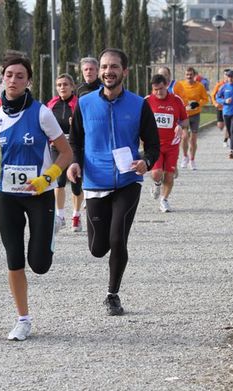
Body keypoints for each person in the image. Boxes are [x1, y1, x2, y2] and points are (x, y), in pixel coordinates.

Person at [0, 55, 73, 341]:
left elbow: (66, 153)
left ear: (28, 81)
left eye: (20, 76)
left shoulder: (42, 113)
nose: (13, 80)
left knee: (39, 264)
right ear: (2, 79)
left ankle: (50, 232)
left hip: (39, 195)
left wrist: (47, 178)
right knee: (14, 258)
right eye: (9, 75)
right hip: (8, 197)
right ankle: (23, 319)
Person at [67, 48, 159, 316]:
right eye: (105, 66)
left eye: (114, 67)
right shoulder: (84, 104)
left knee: (118, 239)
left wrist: (146, 162)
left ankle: (112, 295)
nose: (108, 71)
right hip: (95, 182)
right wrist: (75, 162)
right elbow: (75, 140)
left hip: (128, 181)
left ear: (124, 72)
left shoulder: (139, 105)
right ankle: (96, 229)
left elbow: (153, 145)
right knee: (97, 249)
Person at [47, 73, 84, 232]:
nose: (62, 87)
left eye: (65, 85)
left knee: (76, 184)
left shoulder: (79, 104)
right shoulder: (51, 104)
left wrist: (75, 124)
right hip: (57, 147)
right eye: (59, 85)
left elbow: (86, 127)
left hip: (75, 147)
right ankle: (60, 216)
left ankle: (76, 216)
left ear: (72, 87)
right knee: (59, 182)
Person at [145, 74, 188, 212]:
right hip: (154, 144)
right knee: (157, 173)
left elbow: (185, 120)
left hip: (172, 144)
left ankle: (164, 200)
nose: (158, 92)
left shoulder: (176, 100)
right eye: (155, 89)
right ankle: (157, 184)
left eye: (161, 89)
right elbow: (139, 121)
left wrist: (180, 125)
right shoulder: (147, 101)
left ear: (167, 85)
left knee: (169, 174)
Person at [173, 67, 209, 170]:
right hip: (183, 115)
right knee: (184, 137)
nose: (189, 76)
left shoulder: (200, 86)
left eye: (191, 75)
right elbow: (174, 97)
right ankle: (185, 157)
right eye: (187, 75)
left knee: (193, 139)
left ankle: (192, 160)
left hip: (195, 114)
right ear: (185, 75)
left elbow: (206, 99)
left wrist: (198, 103)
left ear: (195, 75)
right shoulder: (180, 85)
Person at [211, 69, 231, 148]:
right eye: (225, 75)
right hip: (220, 107)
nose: (227, 76)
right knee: (220, 125)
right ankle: (225, 131)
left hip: (229, 108)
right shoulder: (219, 85)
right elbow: (213, 95)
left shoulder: (232, 85)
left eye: (228, 75)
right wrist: (215, 103)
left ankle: (225, 140)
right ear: (223, 76)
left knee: (227, 125)